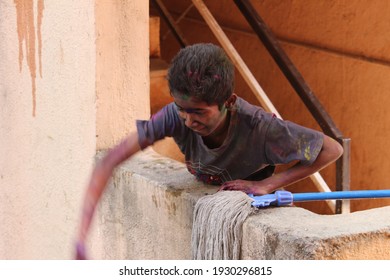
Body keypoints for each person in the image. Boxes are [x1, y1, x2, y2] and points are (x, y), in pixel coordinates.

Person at [75, 43, 343, 259]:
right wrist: (81, 234)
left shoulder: (260, 128)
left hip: (254, 210)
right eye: (182, 110)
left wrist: (270, 183)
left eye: (199, 113)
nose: (189, 122)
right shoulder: (173, 116)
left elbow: (332, 150)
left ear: (228, 101)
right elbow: (109, 161)